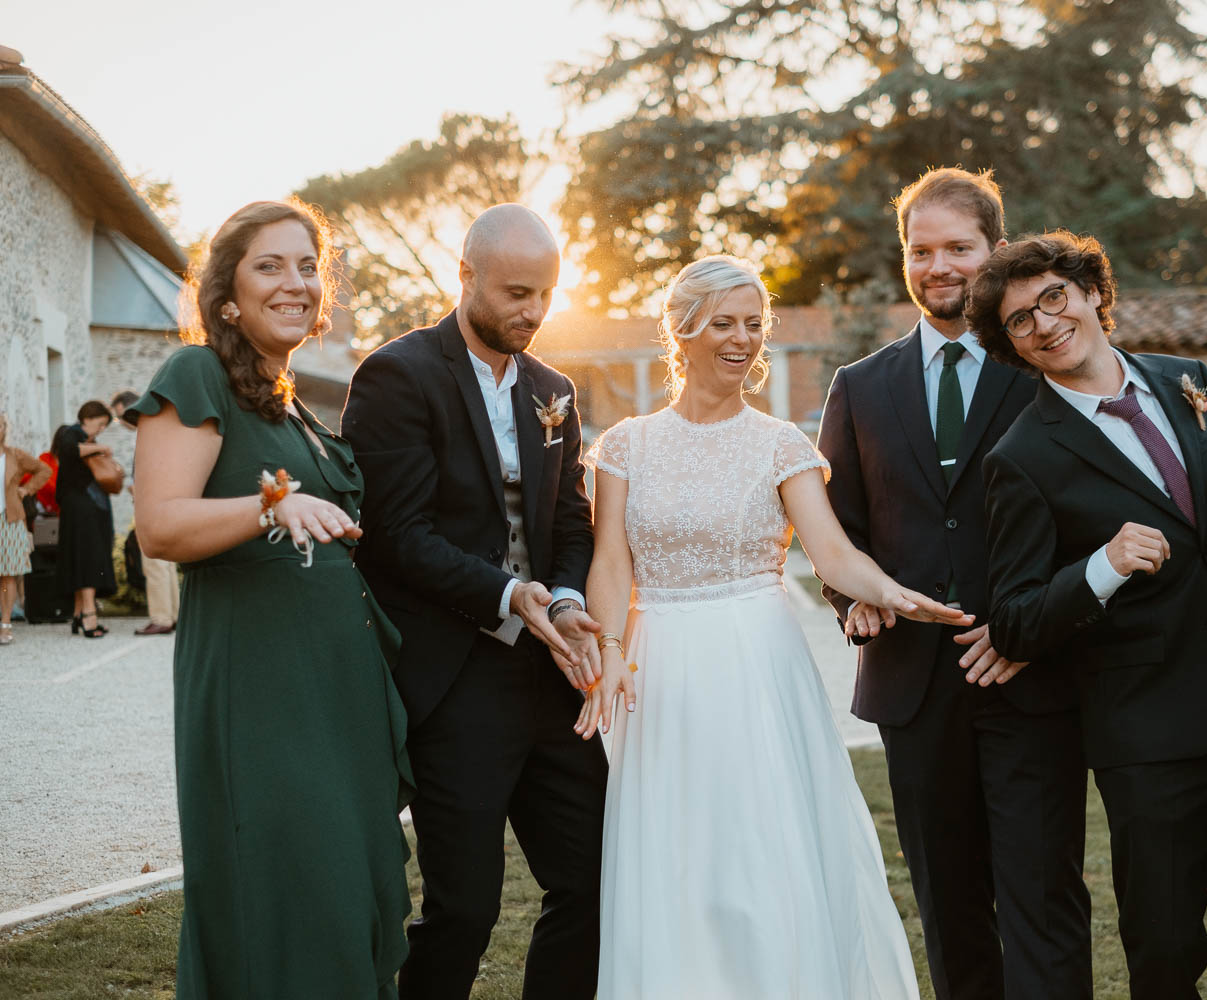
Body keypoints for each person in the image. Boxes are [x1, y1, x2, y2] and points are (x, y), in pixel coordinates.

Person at [970, 230, 1207, 999]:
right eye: (1020, 321)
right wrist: (1099, 569)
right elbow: (1013, 620)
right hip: (1148, 727)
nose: (1044, 322)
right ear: (1012, 346)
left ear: (1091, 294)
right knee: (1166, 947)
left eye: (1054, 297)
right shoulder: (1021, 458)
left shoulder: (1188, 380)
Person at [581, 254, 968, 999]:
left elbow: (833, 553)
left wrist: (895, 591)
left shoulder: (781, 443)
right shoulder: (626, 445)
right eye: (723, 323)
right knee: (679, 852)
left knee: (765, 847)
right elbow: (609, 564)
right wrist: (609, 650)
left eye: (754, 325)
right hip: (659, 666)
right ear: (682, 330)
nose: (742, 339)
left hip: (758, 661)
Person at [816, 167, 1090, 999]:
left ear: (995, 251)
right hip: (914, 686)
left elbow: (1087, 517)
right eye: (920, 249)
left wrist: (1034, 630)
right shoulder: (859, 388)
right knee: (949, 904)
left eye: (959, 248)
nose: (939, 265)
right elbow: (838, 528)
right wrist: (851, 597)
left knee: (1043, 898)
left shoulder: (1046, 368)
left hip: (1031, 678)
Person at [129, 199, 413, 998]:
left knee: (347, 889)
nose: (296, 282)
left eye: (308, 266)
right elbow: (159, 524)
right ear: (226, 295)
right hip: (262, 694)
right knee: (289, 891)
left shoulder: (291, 402)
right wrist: (265, 506)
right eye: (270, 265)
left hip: (336, 696)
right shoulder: (196, 373)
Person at [343, 205, 605, 1000]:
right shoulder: (397, 374)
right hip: (457, 679)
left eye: (545, 295)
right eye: (516, 292)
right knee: (465, 908)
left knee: (596, 884)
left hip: (552, 680)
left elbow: (569, 521)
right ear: (465, 277)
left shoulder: (554, 390)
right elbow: (395, 534)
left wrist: (560, 599)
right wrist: (507, 593)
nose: (532, 311)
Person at [112, 390, 179, 636]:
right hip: (164, 501)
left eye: (120, 417)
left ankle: (162, 618)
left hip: (153, 501)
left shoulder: (148, 433)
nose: (121, 423)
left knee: (154, 561)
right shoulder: (157, 430)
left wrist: (138, 488)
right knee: (165, 562)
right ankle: (173, 615)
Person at [50, 400, 118, 637]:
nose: (100, 429)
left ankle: (80, 613)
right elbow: (68, 450)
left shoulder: (85, 438)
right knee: (87, 558)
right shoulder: (73, 432)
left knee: (81, 557)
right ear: (89, 417)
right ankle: (89, 615)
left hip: (82, 506)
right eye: (100, 424)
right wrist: (100, 449)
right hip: (79, 507)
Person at [0, 411, 52, 645]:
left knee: (8, 575)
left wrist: (26, 490)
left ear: (5, 428)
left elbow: (44, 470)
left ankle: (6, 623)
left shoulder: (15, 455)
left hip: (9, 520)